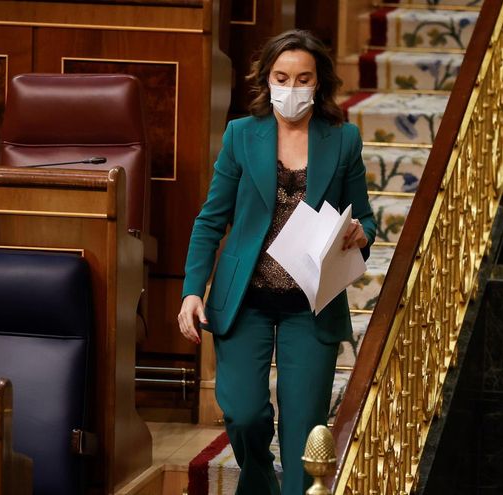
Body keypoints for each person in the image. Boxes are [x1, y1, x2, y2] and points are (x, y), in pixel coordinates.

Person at [177, 29, 376, 495]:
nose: (292, 88)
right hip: (245, 300)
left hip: (309, 304)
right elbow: (211, 219)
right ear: (267, 79)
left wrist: (362, 232)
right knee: (245, 414)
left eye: (303, 78)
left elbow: (363, 216)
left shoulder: (343, 140)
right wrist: (191, 289)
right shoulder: (241, 135)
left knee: (304, 431)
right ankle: (259, 480)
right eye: (282, 77)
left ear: (319, 82)